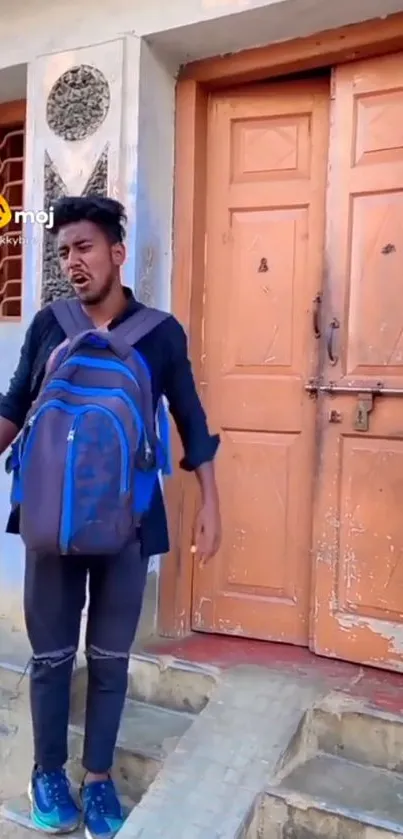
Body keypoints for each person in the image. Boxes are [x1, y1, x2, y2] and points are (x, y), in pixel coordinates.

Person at [0, 196, 221, 839]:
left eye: (85, 248)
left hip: (128, 521)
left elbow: (190, 418)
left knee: (109, 656)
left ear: (117, 254)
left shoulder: (160, 333)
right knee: (49, 657)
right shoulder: (49, 323)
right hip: (51, 515)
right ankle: (48, 773)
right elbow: (15, 409)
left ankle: (97, 780)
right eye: (65, 250)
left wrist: (211, 501)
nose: (74, 262)